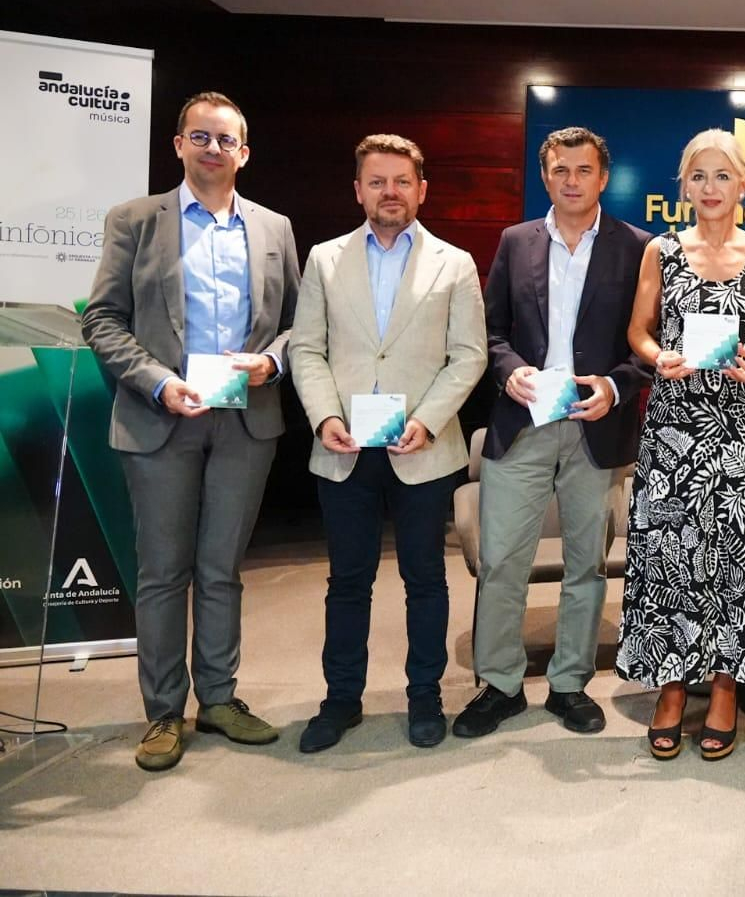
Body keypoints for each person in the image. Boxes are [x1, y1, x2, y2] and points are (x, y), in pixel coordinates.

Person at [82, 91, 299, 771]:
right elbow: (102, 319)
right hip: (159, 419)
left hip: (245, 420)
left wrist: (271, 359)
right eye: (200, 137)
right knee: (162, 572)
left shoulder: (273, 228)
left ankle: (221, 697)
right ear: (178, 145)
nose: (214, 149)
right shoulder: (134, 221)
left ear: (245, 152)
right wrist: (156, 380)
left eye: (226, 139)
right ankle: (163, 712)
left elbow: (299, 327)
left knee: (220, 569)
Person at [288, 134, 486, 752]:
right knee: (348, 580)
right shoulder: (323, 259)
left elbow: (469, 355)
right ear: (358, 189)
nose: (390, 192)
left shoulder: (455, 263)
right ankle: (341, 700)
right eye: (377, 181)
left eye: (402, 181)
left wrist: (427, 420)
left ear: (422, 190)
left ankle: (424, 696)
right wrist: (324, 418)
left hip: (421, 447)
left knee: (426, 579)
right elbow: (306, 348)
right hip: (344, 446)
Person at [453, 127, 652, 739]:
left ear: (603, 177)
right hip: (524, 426)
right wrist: (510, 374)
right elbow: (490, 333)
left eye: (583, 170)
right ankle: (501, 684)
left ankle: (569, 683)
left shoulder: (639, 247)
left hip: (595, 427)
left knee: (585, 564)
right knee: (504, 559)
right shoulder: (516, 242)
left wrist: (614, 387)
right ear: (546, 177)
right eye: (560, 170)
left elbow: (647, 346)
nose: (571, 180)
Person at [617, 129, 745, 761]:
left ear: (744, 184)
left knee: (738, 561)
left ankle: (726, 687)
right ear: (683, 186)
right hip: (676, 429)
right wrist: (659, 355)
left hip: (744, 427)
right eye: (698, 177)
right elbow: (638, 332)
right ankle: (671, 688)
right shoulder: (660, 252)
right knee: (673, 560)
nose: (711, 189)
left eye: (723, 176)